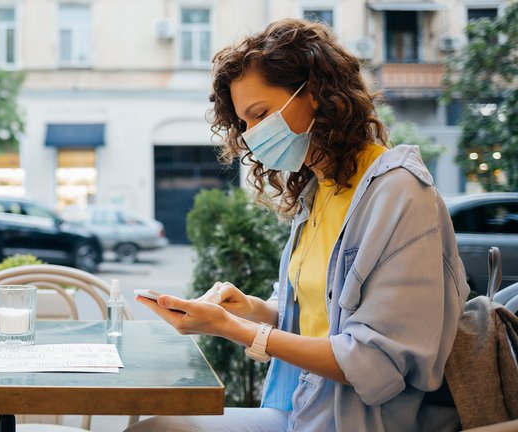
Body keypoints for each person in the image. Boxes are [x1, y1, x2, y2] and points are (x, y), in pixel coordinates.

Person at [126, 18, 469, 432]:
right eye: (244, 123)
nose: (251, 136)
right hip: (303, 407)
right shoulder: (318, 188)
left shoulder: (399, 191)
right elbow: (310, 318)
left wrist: (233, 328)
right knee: (155, 427)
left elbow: (377, 362)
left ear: (316, 95)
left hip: (357, 421)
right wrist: (251, 309)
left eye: (260, 114)